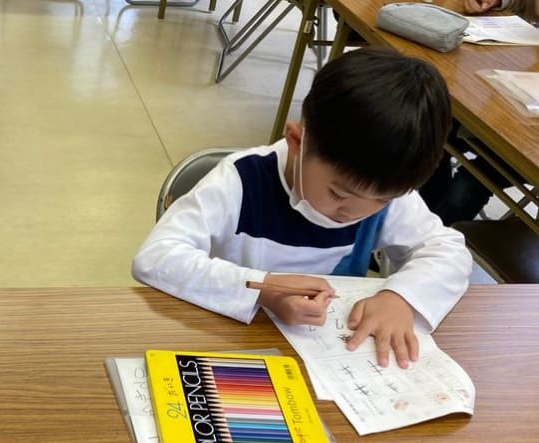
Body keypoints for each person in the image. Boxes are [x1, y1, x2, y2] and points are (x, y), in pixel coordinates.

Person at [132, 47, 472, 369]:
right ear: (297, 141)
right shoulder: (240, 181)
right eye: (338, 194)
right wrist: (261, 290)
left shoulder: (381, 191)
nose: (353, 213)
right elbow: (156, 257)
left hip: (326, 357)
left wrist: (401, 297)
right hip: (232, 343)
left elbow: (448, 250)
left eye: (382, 201)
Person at [419, 0, 537, 225]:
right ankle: (418, 232)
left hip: (526, 145)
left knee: (466, 188)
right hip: (503, 110)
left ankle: (426, 242)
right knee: (432, 128)